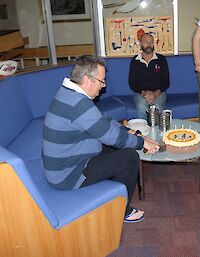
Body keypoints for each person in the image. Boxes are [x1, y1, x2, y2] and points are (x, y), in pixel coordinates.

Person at [42, 55, 160, 223]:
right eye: (101, 81)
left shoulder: (70, 93)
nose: (103, 86)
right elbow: (111, 136)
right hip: (68, 175)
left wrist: (131, 131)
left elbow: (102, 122)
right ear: (87, 79)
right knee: (129, 157)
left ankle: (112, 185)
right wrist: (142, 142)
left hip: (69, 160)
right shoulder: (79, 104)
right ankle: (122, 210)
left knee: (121, 146)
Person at [129, 33, 170, 120]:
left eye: (151, 42)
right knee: (141, 106)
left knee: (157, 107)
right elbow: (132, 83)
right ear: (140, 44)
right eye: (146, 42)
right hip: (140, 93)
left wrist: (155, 94)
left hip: (159, 93)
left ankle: (156, 132)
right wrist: (144, 93)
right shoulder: (135, 61)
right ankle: (144, 133)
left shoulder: (161, 59)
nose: (149, 45)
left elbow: (166, 82)